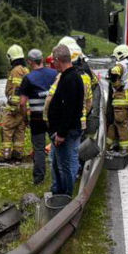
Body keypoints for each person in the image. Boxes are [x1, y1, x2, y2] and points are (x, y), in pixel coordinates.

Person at [45, 44, 83, 196]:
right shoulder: (67, 76)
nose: (53, 64)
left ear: (58, 60)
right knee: (56, 163)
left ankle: (66, 196)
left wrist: (61, 133)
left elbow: (69, 109)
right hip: (62, 131)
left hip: (66, 132)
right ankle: (58, 192)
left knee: (65, 166)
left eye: (53, 61)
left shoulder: (70, 79)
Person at [18, 49, 57, 185]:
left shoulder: (28, 78)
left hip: (36, 118)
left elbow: (22, 103)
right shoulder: (54, 73)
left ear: (30, 62)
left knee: (39, 149)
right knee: (57, 144)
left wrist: (25, 119)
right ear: (42, 59)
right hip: (53, 116)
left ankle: (39, 179)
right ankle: (58, 175)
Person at [2, 44, 30, 160]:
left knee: (7, 129)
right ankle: (18, 153)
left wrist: (13, 107)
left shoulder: (16, 71)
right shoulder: (25, 70)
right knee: (20, 130)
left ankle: (6, 154)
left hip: (15, 107)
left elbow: (16, 90)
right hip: (23, 107)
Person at [107, 44, 128, 154]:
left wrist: (117, 85)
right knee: (116, 124)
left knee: (121, 125)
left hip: (120, 98)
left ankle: (124, 150)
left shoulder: (121, 64)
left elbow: (113, 72)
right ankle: (108, 146)